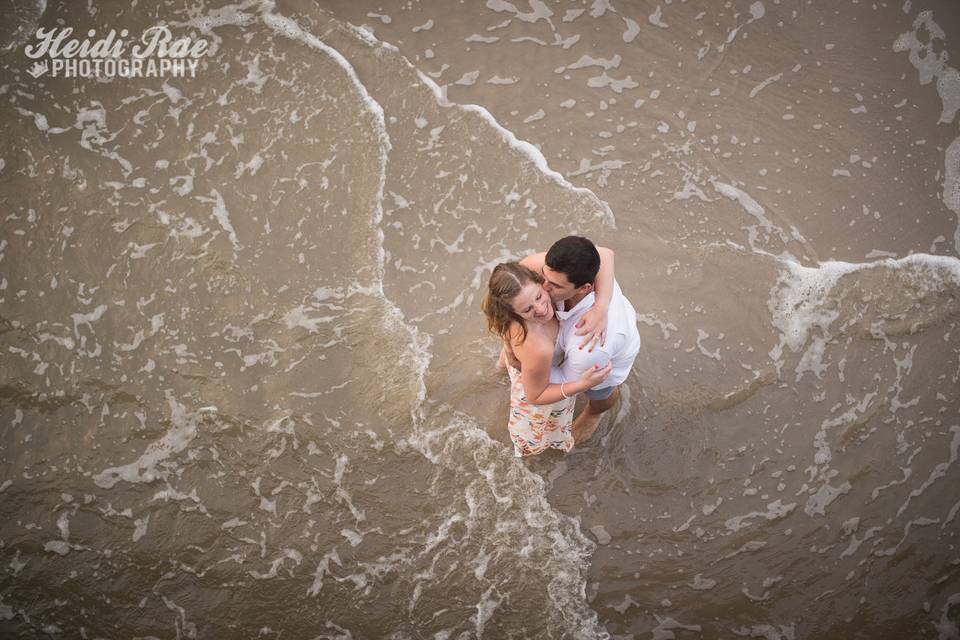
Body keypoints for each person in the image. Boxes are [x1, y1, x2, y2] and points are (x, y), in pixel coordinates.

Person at [514, 236, 641, 444]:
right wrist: (602, 306)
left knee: (599, 390)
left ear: (585, 288)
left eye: (555, 286)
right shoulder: (571, 269)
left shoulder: (590, 348)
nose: (543, 288)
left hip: (606, 355)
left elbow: (563, 383)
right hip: (588, 318)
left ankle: (594, 413)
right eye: (544, 275)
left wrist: (524, 360)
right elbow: (606, 253)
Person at [481, 262, 612, 457]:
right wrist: (582, 384)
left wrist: (601, 308)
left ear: (541, 280)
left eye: (539, 297)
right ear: (512, 313)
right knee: (539, 436)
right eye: (528, 310)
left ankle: (501, 367)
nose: (541, 309)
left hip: (528, 361)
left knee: (510, 360)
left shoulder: (524, 281)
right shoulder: (538, 346)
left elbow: (603, 256)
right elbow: (536, 396)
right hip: (537, 380)